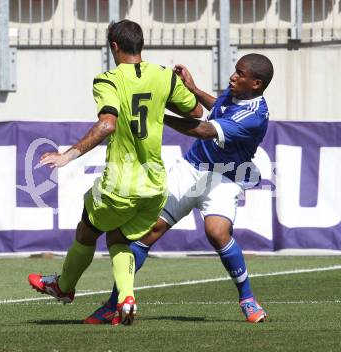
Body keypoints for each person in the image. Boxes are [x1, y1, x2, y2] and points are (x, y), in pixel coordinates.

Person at [28, 19, 203, 326]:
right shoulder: (164, 76)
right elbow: (196, 112)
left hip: (120, 184)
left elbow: (108, 124)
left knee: (86, 229)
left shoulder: (107, 80)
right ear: (142, 45)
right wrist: (186, 87)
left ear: (114, 47)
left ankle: (64, 286)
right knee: (118, 237)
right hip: (154, 186)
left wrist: (67, 155)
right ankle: (126, 298)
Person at [84, 53, 274, 325]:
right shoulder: (237, 96)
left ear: (256, 83)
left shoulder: (254, 116)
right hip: (191, 168)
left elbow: (205, 130)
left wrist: (157, 116)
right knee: (148, 231)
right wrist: (194, 90)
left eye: (240, 73)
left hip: (224, 178)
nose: (233, 76)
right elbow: (217, 108)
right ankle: (113, 304)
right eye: (235, 70)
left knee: (217, 233)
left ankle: (247, 299)